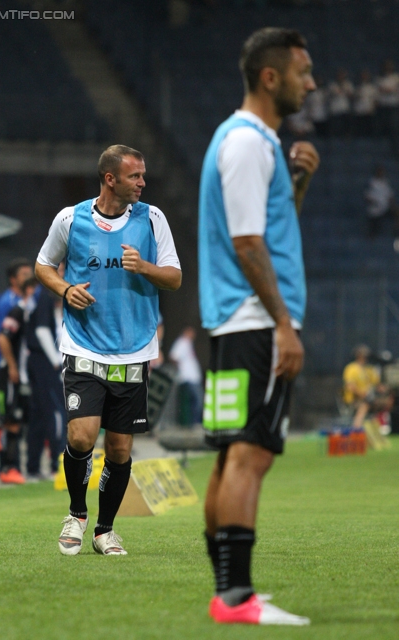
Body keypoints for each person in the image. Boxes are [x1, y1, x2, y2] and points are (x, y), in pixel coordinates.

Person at [198, 27, 319, 625]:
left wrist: (296, 184)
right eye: (303, 71)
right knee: (250, 456)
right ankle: (236, 598)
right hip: (254, 324)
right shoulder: (248, 142)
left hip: (233, 323)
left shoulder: (246, 141)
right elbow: (248, 245)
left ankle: (228, 592)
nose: (312, 82)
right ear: (271, 77)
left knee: (229, 456)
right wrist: (283, 326)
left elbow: (264, 232)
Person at [35, 144, 181, 556]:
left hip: (133, 349)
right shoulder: (71, 219)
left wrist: (146, 268)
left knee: (119, 448)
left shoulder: (153, 219)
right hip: (84, 344)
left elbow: (174, 277)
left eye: (144, 175)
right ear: (110, 178)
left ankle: (104, 530)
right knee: (81, 436)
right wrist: (65, 288)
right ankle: (76, 515)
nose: (143, 182)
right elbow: (43, 265)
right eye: (135, 176)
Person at [0, 257, 33, 484]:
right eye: (24, 274)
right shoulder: (10, 303)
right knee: (12, 417)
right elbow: (3, 337)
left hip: (16, 367)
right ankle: (7, 464)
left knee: (18, 417)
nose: (29, 277)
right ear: (13, 279)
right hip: (7, 367)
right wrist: (9, 365)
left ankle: (9, 468)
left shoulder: (24, 301)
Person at [25, 283, 66, 480]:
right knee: (57, 411)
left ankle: (33, 466)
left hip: (34, 362)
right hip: (44, 362)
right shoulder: (44, 296)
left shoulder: (37, 297)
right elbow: (42, 331)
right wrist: (56, 362)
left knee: (38, 414)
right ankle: (57, 464)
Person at [169, 326, 203, 427]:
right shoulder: (182, 342)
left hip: (193, 377)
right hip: (189, 378)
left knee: (193, 402)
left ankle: (193, 424)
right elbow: (173, 356)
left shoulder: (188, 343)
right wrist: (181, 370)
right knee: (197, 401)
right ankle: (194, 424)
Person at [342, 344, 380, 411]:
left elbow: (377, 385)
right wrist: (363, 394)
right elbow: (350, 386)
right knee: (365, 405)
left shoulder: (370, 369)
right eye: (364, 356)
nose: (366, 358)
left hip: (371, 398)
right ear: (358, 356)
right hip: (355, 401)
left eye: (367, 356)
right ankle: (358, 421)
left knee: (387, 402)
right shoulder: (351, 368)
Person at [364, 164, 397, 238]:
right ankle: (371, 238)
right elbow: (367, 197)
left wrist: (393, 206)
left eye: (382, 171)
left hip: (385, 208)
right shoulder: (371, 182)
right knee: (374, 229)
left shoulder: (385, 182)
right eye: (380, 171)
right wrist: (375, 203)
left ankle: (396, 231)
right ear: (376, 172)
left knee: (397, 212)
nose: (382, 173)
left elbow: (390, 196)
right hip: (375, 210)